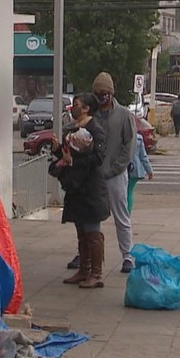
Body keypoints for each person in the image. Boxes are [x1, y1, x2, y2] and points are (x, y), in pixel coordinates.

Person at [49, 95, 110, 288]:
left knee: (92, 232)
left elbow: (98, 157)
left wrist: (72, 161)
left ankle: (96, 273)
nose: (72, 108)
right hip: (76, 186)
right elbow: (70, 154)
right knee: (81, 232)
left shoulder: (96, 129)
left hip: (90, 188)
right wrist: (58, 150)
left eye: (76, 105)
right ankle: (84, 270)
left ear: (86, 109)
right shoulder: (74, 128)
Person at [92, 72, 138, 274]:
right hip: (93, 175)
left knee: (121, 216)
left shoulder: (124, 115)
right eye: (97, 93)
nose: (101, 96)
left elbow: (129, 146)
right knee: (91, 217)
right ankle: (89, 254)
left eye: (104, 93)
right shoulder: (90, 114)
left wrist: (115, 169)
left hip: (116, 175)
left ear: (111, 93)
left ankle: (127, 255)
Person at [127, 133, 154, 213]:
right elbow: (143, 156)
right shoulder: (138, 138)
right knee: (130, 192)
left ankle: (125, 213)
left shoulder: (122, 136)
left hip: (125, 167)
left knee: (125, 192)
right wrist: (149, 171)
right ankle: (127, 214)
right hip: (136, 169)